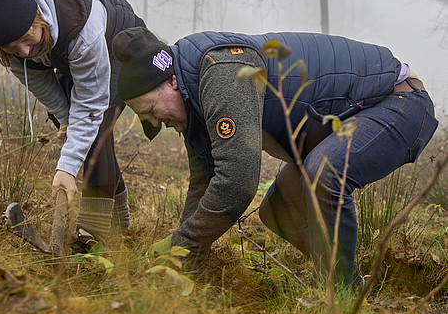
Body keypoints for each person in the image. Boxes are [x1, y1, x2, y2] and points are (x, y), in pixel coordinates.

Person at [112, 27, 438, 286]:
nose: (154, 123)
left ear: (169, 81)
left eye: (152, 110)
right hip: (349, 121)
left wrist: (179, 247)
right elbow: (205, 182)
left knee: (323, 172)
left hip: (397, 102)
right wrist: (179, 256)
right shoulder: (190, 92)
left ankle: (342, 293)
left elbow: (236, 185)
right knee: (276, 211)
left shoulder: (221, 72)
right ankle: (345, 280)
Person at [0, 0, 159, 247]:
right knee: (78, 131)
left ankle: (92, 235)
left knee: (97, 130)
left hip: (119, 45)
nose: (24, 52)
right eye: (11, 47)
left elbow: (91, 106)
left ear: (39, 15)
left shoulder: (82, 26)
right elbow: (36, 77)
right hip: (68, 55)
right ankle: (118, 224)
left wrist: (66, 168)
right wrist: (65, 118)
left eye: (27, 39)